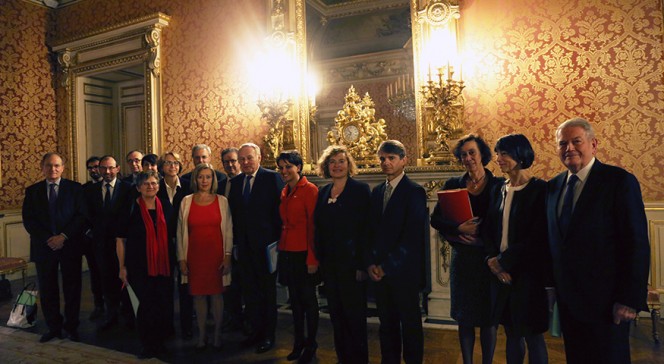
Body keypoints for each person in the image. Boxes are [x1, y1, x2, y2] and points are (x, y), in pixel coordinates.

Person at [546, 117, 649, 363]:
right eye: (563, 143)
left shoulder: (618, 181)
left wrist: (628, 299)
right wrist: (550, 287)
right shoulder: (553, 186)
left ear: (594, 144)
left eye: (576, 141)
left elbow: (635, 243)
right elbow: (554, 244)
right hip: (569, 303)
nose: (569, 148)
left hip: (608, 303)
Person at [430, 134, 501, 364]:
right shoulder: (453, 184)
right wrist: (458, 227)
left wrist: (482, 241)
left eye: (472, 152)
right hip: (463, 260)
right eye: (463, 155)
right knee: (465, 318)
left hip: (488, 260)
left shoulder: (499, 185)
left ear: (482, 155)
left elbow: (503, 226)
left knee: (489, 319)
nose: (468, 158)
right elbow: (436, 219)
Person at [484, 134, 550, 364]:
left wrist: (504, 262)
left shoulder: (540, 189)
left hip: (528, 275)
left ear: (520, 155)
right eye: (497, 153)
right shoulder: (499, 189)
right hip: (500, 274)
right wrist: (493, 261)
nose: (498, 158)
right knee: (511, 334)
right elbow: (490, 229)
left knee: (533, 336)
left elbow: (537, 237)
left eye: (504, 153)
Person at [367, 140, 427, 364]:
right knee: (387, 324)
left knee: (410, 325)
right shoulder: (378, 191)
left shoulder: (414, 191)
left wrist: (386, 266)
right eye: (382, 158)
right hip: (379, 272)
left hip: (404, 272)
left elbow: (412, 238)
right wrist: (372, 263)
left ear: (404, 160)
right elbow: (371, 232)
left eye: (391, 158)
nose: (386, 162)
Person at [314, 145, 370, 364]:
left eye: (341, 161)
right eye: (332, 162)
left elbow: (366, 231)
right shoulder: (323, 193)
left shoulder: (360, 190)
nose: (337, 166)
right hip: (330, 266)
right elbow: (319, 228)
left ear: (349, 165)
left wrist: (362, 265)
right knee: (336, 316)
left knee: (354, 317)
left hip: (353, 266)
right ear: (327, 166)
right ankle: (343, 358)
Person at [22, 153, 86, 343]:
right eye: (49, 165)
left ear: (63, 167)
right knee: (48, 289)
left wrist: (63, 237)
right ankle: (54, 328)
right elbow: (29, 221)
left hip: (70, 245)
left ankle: (72, 327)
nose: (53, 169)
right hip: (44, 247)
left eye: (57, 165)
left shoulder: (75, 189)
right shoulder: (32, 191)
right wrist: (49, 239)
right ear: (42, 167)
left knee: (72, 288)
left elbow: (81, 216)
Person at [227, 142, 284, 353]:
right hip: (244, 249)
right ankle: (254, 333)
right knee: (250, 294)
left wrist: (277, 244)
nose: (245, 162)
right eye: (241, 159)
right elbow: (235, 217)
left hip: (267, 249)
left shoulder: (272, 178)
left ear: (259, 157)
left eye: (249, 158)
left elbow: (280, 214)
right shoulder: (237, 182)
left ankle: (268, 336)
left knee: (267, 294)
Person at [116, 171, 174, 359]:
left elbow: (173, 235)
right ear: (139, 187)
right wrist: (122, 267)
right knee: (144, 306)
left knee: (162, 304)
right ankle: (147, 344)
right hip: (139, 266)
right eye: (146, 183)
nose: (151, 186)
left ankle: (160, 344)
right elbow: (120, 240)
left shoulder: (165, 206)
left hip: (163, 265)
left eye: (154, 183)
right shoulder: (130, 208)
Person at [177, 163, 233, 350]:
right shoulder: (186, 201)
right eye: (201, 177)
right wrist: (181, 259)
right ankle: (202, 335)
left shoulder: (222, 201)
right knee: (198, 296)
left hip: (216, 256)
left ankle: (216, 334)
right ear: (195, 179)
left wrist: (227, 256)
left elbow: (228, 231)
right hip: (194, 256)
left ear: (213, 179)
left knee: (217, 295)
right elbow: (180, 233)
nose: (204, 180)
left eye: (208, 177)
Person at [277, 150, 320, 363]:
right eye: (281, 167)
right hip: (288, 252)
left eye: (288, 167)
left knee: (308, 301)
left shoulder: (309, 190)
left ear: (298, 167)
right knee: (294, 301)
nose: (284, 171)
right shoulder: (285, 190)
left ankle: (311, 344)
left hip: (304, 252)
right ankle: (298, 342)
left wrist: (312, 258)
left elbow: (313, 227)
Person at [83, 155, 133, 330]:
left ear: (118, 168)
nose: (107, 171)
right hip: (101, 245)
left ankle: (128, 317)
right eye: (103, 168)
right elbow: (86, 215)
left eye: (111, 168)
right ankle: (110, 316)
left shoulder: (129, 189)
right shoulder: (91, 191)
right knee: (106, 281)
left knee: (126, 281)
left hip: (124, 244)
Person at [157, 151, 193, 340]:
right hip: (163, 243)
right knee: (165, 286)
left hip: (185, 242)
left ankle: (187, 325)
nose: (172, 166)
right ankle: (167, 325)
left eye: (176, 163)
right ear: (162, 167)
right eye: (168, 163)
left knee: (185, 285)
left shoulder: (188, 187)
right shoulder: (156, 187)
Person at [220, 147, 244, 332]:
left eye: (233, 161)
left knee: (245, 284)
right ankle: (232, 316)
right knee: (228, 284)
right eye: (226, 162)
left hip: (243, 242)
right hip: (223, 242)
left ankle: (247, 320)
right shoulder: (219, 183)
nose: (230, 165)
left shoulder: (246, 183)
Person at [83, 156, 105, 320]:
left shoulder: (117, 187)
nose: (94, 170)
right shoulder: (84, 190)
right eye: (90, 168)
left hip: (112, 239)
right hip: (92, 240)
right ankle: (99, 305)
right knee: (95, 274)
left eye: (96, 166)